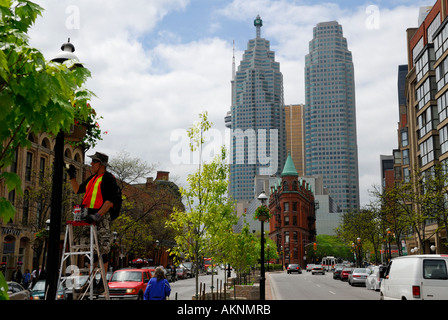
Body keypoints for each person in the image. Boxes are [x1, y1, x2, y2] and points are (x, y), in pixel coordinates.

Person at [67, 151, 118, 294]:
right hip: (88, 217)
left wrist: (97, 215)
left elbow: (110, 200)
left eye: (94, 161)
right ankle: (91, 282)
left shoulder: (108, 179)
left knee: (102, 249)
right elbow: (77, 190)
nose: (91, 164)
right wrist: (72, 176)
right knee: (91, 250)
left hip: (100, 217)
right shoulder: (92, 178)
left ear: (101, 164)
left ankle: (102, 283)